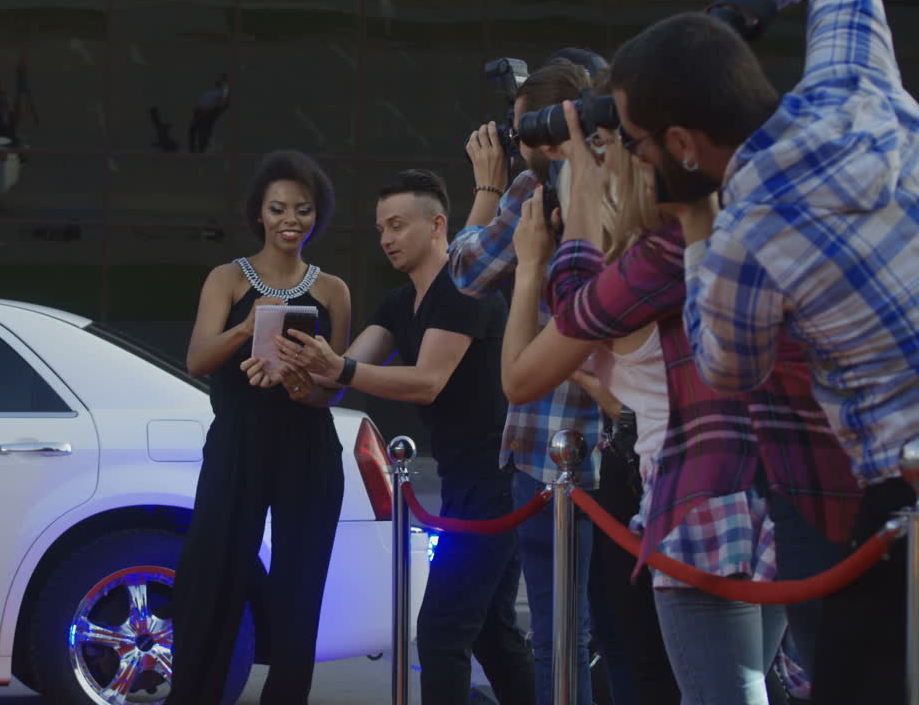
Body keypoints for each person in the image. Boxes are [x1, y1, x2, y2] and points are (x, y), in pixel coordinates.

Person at [608, 0, 918, 699]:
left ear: (683, 146)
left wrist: (695, 224)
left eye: (639, 144)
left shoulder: (744, 240)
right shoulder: (854, 81)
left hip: (901, 504)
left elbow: (726, 369)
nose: (639, 158)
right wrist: (752, 2)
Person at [503, 94, 858, 703]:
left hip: (699, 505)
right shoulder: (710, 241)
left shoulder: (645, 268)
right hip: (767, 496)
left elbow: (518, 377)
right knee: (749, 688)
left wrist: (533, 263)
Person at [275, 169, 535, 705]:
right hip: (466, 482)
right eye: (379, 229)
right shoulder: (400, 303)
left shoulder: (468, 288)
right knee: (491, 632)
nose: (386, 238)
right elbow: (347, 368)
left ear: (438, 224)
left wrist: (339, 371)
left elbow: (426, 382)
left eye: (396, 225)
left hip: (496, 483)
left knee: (443, 630)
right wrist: (295, 369)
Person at [168, 150, 350, 705]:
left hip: (308, 447)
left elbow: (335, 386)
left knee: (300, 589)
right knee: (211, 578)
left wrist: (303, 380)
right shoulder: (226, 278)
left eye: (302, 208)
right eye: (278, 208)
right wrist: (249, 325)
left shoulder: (332, 290)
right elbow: (198, 360)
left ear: (317, 215)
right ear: (260, 213)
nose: (290, 220)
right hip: (236, 445)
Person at [448, 57, 601, 705]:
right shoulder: (629, 181)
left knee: (558, 635)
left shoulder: (530, 191)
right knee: (617, 635)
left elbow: (464, 272)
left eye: (520, 131)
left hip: (549, 437)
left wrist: (488, 185)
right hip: (624, 443)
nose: (516, 145)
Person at [188, 73, 230, 153]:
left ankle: (201, 149)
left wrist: (213, 109)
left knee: (202, 131)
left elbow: (222, 102)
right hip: (200, 110)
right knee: (194, 129)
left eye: (222, 80)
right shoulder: (215, 91)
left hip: (207, 111)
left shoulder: (223, 91)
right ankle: (196, 149)